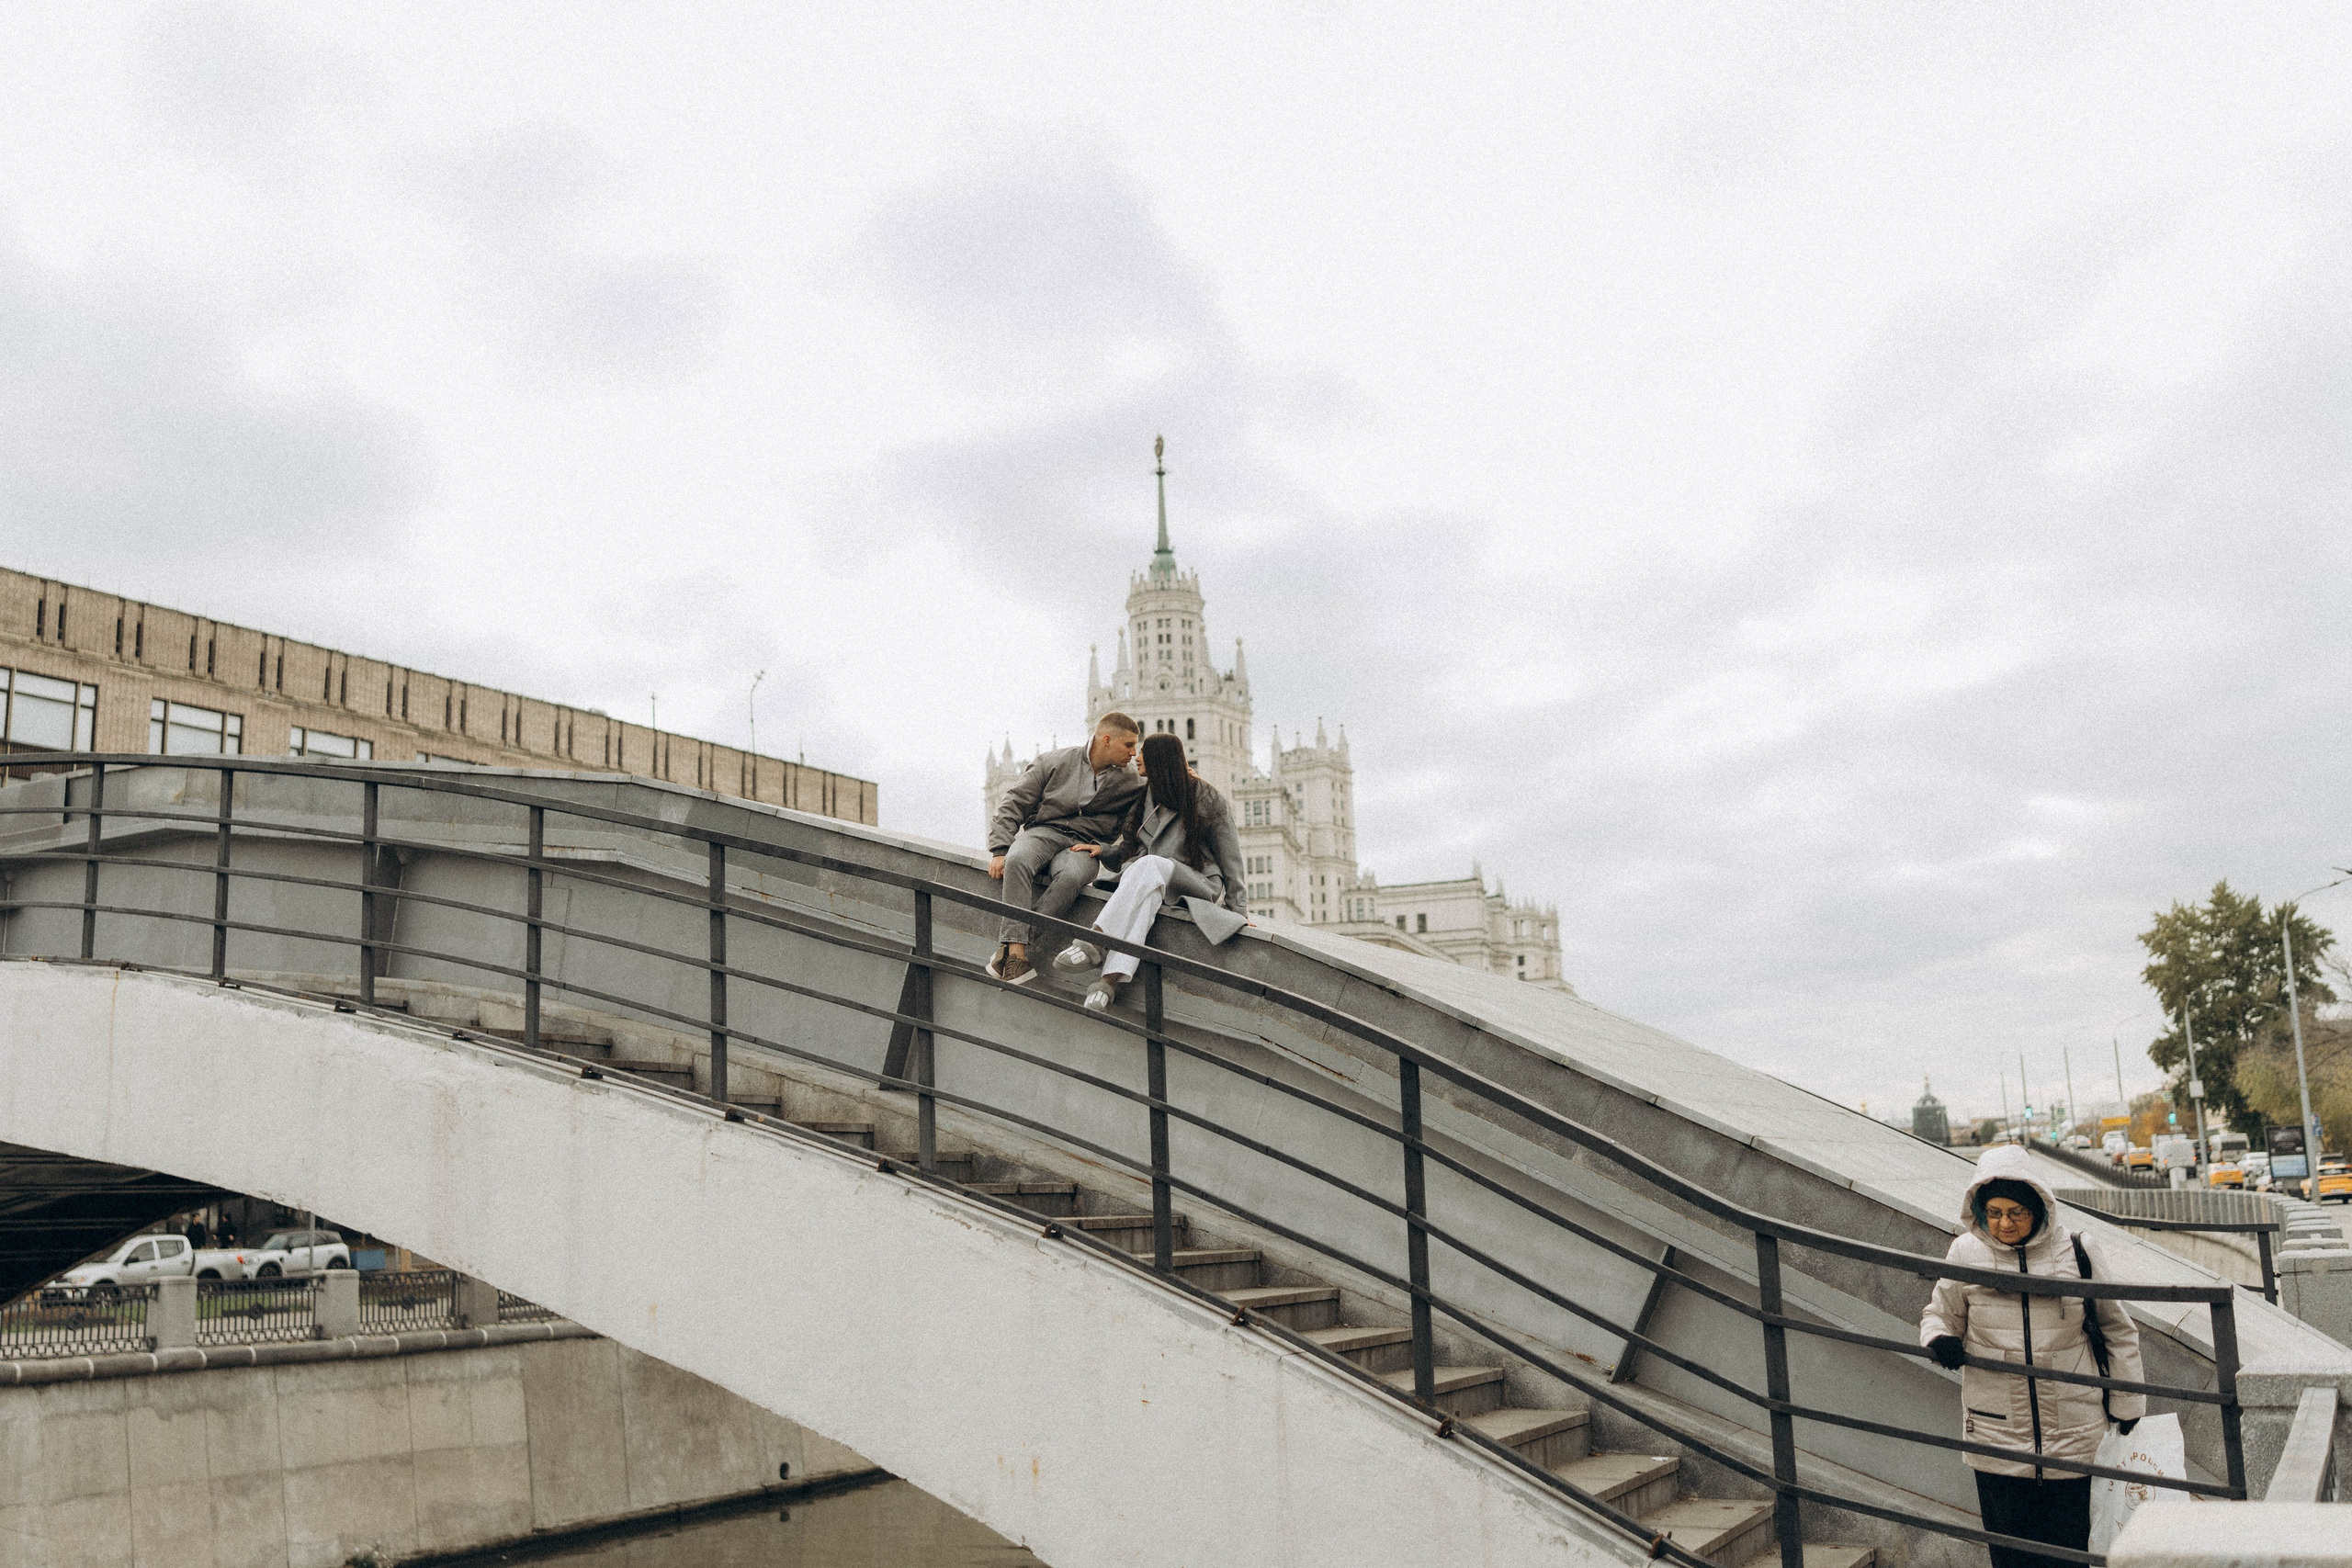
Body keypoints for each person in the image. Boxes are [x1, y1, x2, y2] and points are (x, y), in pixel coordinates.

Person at [1919, 1145, 2144, 1568]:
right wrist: (1939, 1338)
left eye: (2017, 1212)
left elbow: (2116, 1328)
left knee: (2071, 1555)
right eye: (1995, 1212)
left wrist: (2127, 1402)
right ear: (1980, 1210)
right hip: (1997, 1438)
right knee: (2011, 1558)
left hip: (2075, 1438)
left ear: (2039, 1207)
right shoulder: (1965, 1252)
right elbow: (1939, 1313)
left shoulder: (2077, 1251)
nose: (2005, 1223)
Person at [1047, 731, 1248, 1010]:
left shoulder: (1208, 798)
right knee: (1147, 897)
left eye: (1143, 753)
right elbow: (1129, 850)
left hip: (1194, 881)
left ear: (1158, 760)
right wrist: (1103, 850)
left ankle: (1094, 940)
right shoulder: (1144, 800)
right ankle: (1108, 983)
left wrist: (1238, 909)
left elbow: (1231, 857)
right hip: (1150, 880)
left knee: (1150, 864)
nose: (1136, 758)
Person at [985, 713, 1146, 985]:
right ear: (1107, 740)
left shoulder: (1132, 781)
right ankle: (1017, 957)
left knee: (1071, 878)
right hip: (1043, 832)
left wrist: (1104, 849)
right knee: (1017, 860)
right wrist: (1000, 849)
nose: (1134, 753)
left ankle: (1012, 953)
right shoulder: (1054, 761)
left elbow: (1140, 825)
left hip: (1084, 846)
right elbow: (1013, 803)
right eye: (1128, 745)